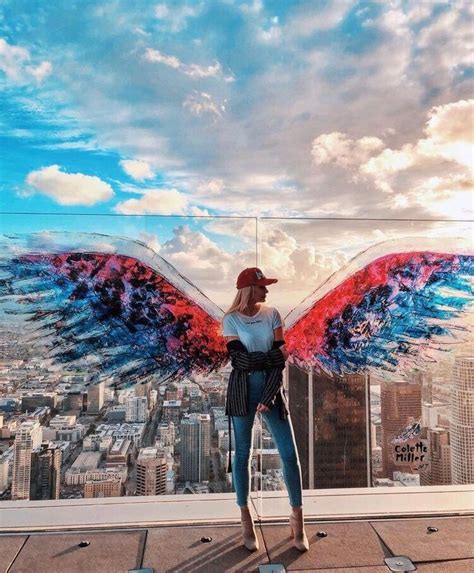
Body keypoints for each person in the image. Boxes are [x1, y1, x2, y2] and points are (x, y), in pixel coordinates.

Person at [222, 267, 309, 552]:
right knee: (242, 455)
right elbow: (240, 362)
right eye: (262, 287)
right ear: (249, 289)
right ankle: (245, 516)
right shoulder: (231, 320)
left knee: (289, 455)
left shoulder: (273, 314)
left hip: (271, 392)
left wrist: (270, 395)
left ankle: (297, 517)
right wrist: (272, 355)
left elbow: (279, 363)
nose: (266, 291)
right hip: (241, 393)